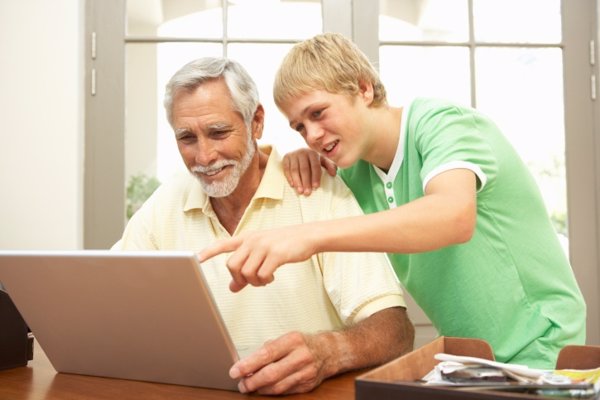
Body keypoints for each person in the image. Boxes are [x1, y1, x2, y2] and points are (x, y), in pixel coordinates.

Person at [199, 33, 587, 369]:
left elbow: (452, 216)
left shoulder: (441, 123)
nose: (312, 134)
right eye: (300, 127)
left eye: (318, 113)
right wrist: (296, 156)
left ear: (364, 88)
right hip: (471, 358)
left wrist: (308, 235)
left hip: (543, 346)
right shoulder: (353, 172)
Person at [113, 56, 414, 395]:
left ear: (256, 122)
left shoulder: (317, 191)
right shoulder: (166, 202)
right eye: (187, 138)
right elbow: (108, 298)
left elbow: (395, 330)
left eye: (218, 132)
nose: (204, 156)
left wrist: (328, 352)